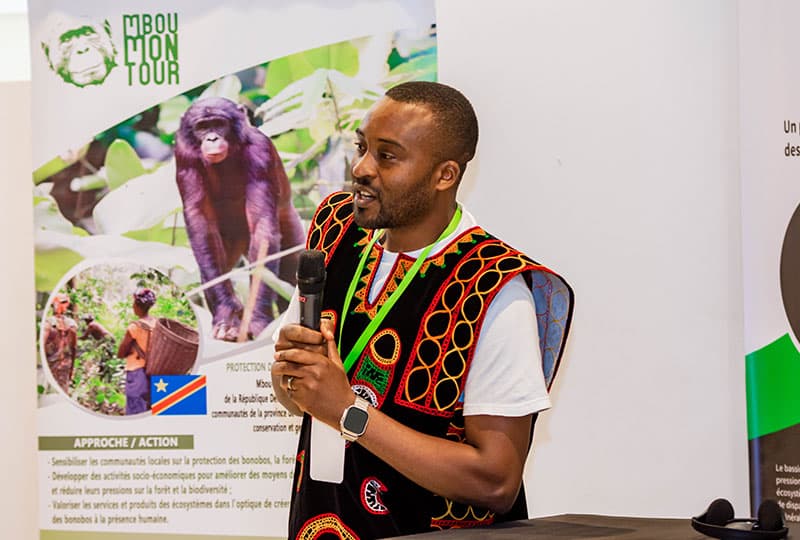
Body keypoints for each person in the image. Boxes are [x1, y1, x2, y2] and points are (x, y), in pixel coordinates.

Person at [271, 81, 574, 538]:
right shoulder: (335, 230)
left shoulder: (491, 286)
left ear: (445, 175)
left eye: (387, 156)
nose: (361, 168)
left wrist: (347, 411)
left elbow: (496, 482)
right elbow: (299, 397)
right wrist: (293, 376)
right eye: (362, 147)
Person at [117, 287, 157, 415]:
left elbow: (121, 353)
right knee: (150, 408)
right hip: (154, 371)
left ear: (138, 306)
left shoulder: (134, 327)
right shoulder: (157, 324)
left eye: (134, 303)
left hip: (136, 372)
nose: (133, 306)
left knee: (135, 409)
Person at [43, 293, 78, 393]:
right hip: (63, 366)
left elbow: (42, 344)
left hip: (54, 366)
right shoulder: (71, 325)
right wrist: (71, 368)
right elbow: (74, 348)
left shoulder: (47, 324)